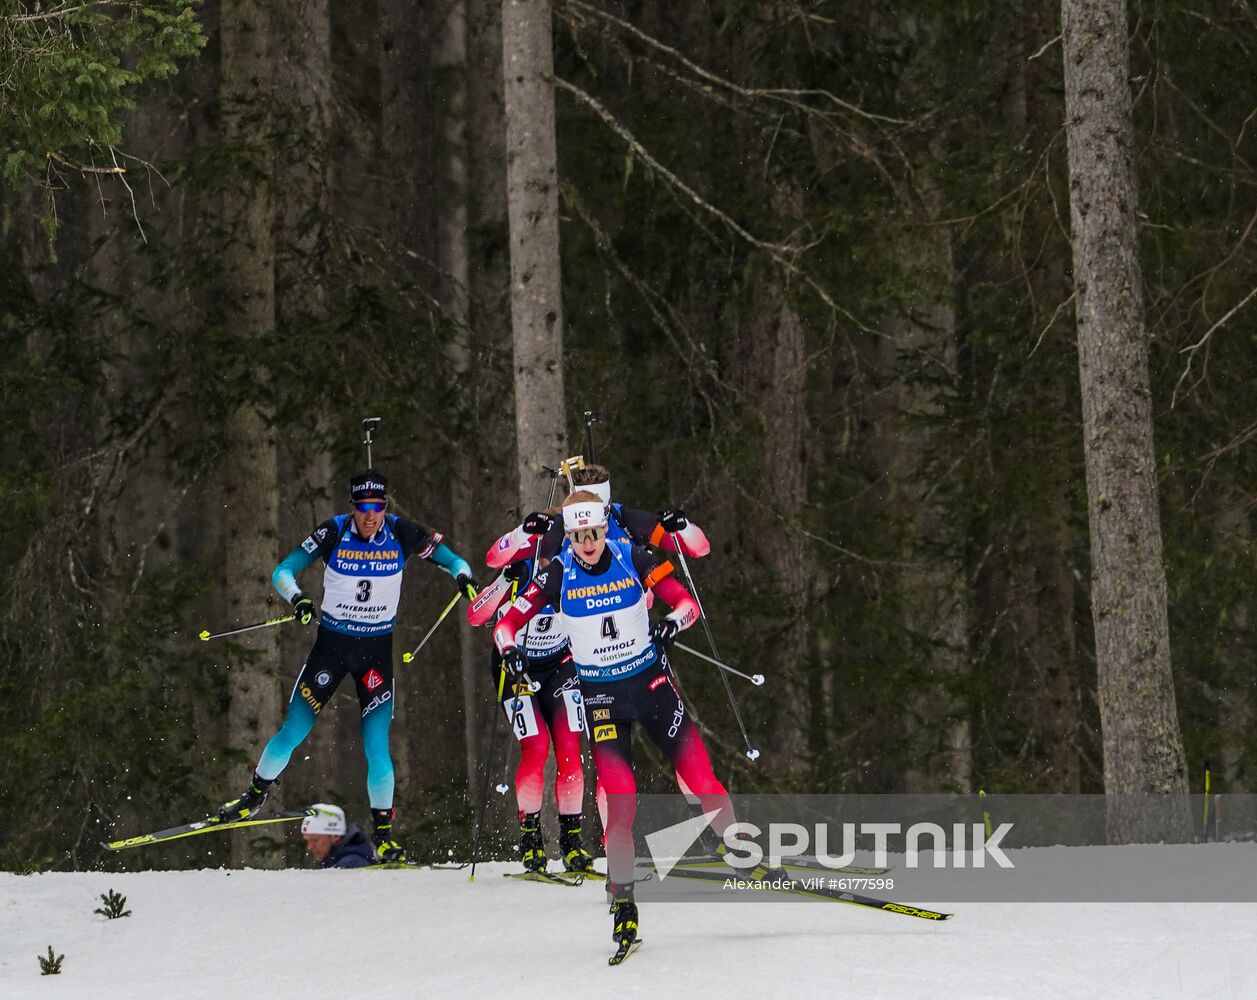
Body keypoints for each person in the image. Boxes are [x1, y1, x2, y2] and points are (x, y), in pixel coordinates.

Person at [492, 491, 735, 952]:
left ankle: (739, 851)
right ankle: (623, 902)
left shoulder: (634, 555)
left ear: (606, 527)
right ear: (571, 533)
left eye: (594, 533)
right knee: (621, 805)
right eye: (578, 534)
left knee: (701, 777)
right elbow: (505, 626)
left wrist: (671, 625)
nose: (587, 543)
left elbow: (687, 605)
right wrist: (511, 653)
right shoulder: (555, 574)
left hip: (650, 688)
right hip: (602, 699)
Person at [216, 469, 476, 863]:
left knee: (377, 745)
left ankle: (384, 836)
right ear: (351, 507)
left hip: (375, 653)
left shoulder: (401, 531)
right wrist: (299, 600)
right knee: (293, 731)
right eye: (363, 508)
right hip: (331, 649)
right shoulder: (333, 532)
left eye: (378, 507)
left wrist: (462, 576)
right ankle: (253, 796)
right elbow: (282, 571)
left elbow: (453, 559)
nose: (371, 516)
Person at [485, 554, 592, 874]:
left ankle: (572, 843)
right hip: (516, 668)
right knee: (536, 746)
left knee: (571, 749)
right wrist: (505, 579)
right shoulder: (520, 570)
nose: (548, 560)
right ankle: (531, 840)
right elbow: (477, 615)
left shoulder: (573, 570)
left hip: (560, 665)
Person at [485, 463, 710, 570]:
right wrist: (522, 532)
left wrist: (684, 527)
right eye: (581, 514)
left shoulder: (627, 520)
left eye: (599, 513)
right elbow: (494, 559)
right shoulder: (555, 528)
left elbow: (699, 549)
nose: (588, 527)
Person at [302, 803, 374, 869]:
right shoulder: (335, 860)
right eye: (308, 840)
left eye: (315, 840)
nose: (310, 847)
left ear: (335, 836)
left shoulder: (350, 864)